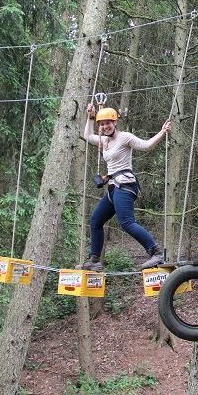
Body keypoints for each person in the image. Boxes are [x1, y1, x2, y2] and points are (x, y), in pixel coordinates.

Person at [76, 103, 171, 271]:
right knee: (96, 221)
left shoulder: (124, 137)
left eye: (108, 123)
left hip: (125, 185)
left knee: (126, 222)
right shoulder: (104, 140)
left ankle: (156, 252)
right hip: (113, 188)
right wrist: (91, 116)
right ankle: (95, 259)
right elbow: (87, 135)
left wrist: (162, 132)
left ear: (115, 123)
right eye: (102, 124)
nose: (105, 127)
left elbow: (147, 145)